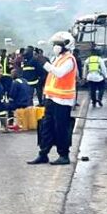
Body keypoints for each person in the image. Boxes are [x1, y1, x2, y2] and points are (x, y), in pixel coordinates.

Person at [28, 32, 79, 166]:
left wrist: (43, 62)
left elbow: (59, 73)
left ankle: (64, 155)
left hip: (63, 100)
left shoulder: (69, 60)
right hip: (51, 98)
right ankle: (43, 154)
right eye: (55, 44)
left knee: (61, 128)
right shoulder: (58, 58)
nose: (55, 46)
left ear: (67, 45)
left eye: (58, 44)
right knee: (46, 127)